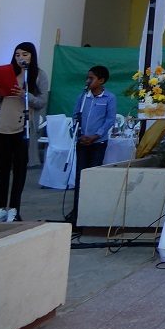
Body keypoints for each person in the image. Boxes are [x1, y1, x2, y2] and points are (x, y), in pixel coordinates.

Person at [0, 42, 49, 223]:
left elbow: (41, 102)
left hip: (23, 127)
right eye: (17, 55)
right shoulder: (8, 73)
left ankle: (14, 208)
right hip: (3, 125)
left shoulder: (38, 75)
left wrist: (24, 94)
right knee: (2, 169)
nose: (21, 58)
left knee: (19, 169)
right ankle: (0, 208)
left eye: (25, 54)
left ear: (32, 56)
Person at [67, 65, 116, 227]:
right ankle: (76, 213)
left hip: (98, 143)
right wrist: (79, 134)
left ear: (101, 80)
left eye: (91, 78)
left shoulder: (109, 98)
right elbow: (76, 115)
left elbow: (109, 119)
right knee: (80, 176)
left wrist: (96, 136)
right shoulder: (83, 97)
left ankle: (91, 213)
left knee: (93, 176)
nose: (88, 81)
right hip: (82, 142)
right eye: (87, 78)